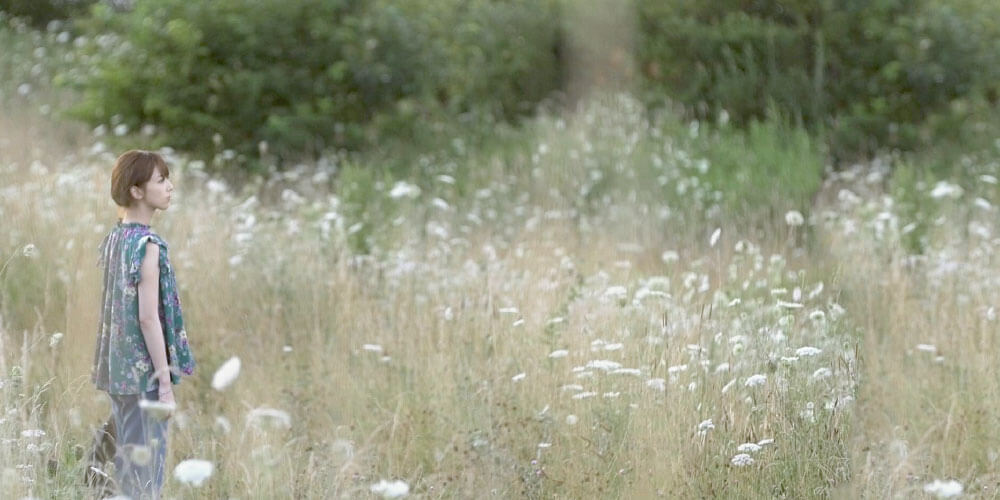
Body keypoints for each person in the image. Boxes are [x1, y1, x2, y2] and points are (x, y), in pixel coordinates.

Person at [85, 150, 196, 499]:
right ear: (136, 191)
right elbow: (147, 317)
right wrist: (163, 382)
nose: (170, 187)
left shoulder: (115, 239)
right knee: (144, 479)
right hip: (142, 374)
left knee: (127, 464)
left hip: (117, 370)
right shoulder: (147, 246)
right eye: (161, 181)